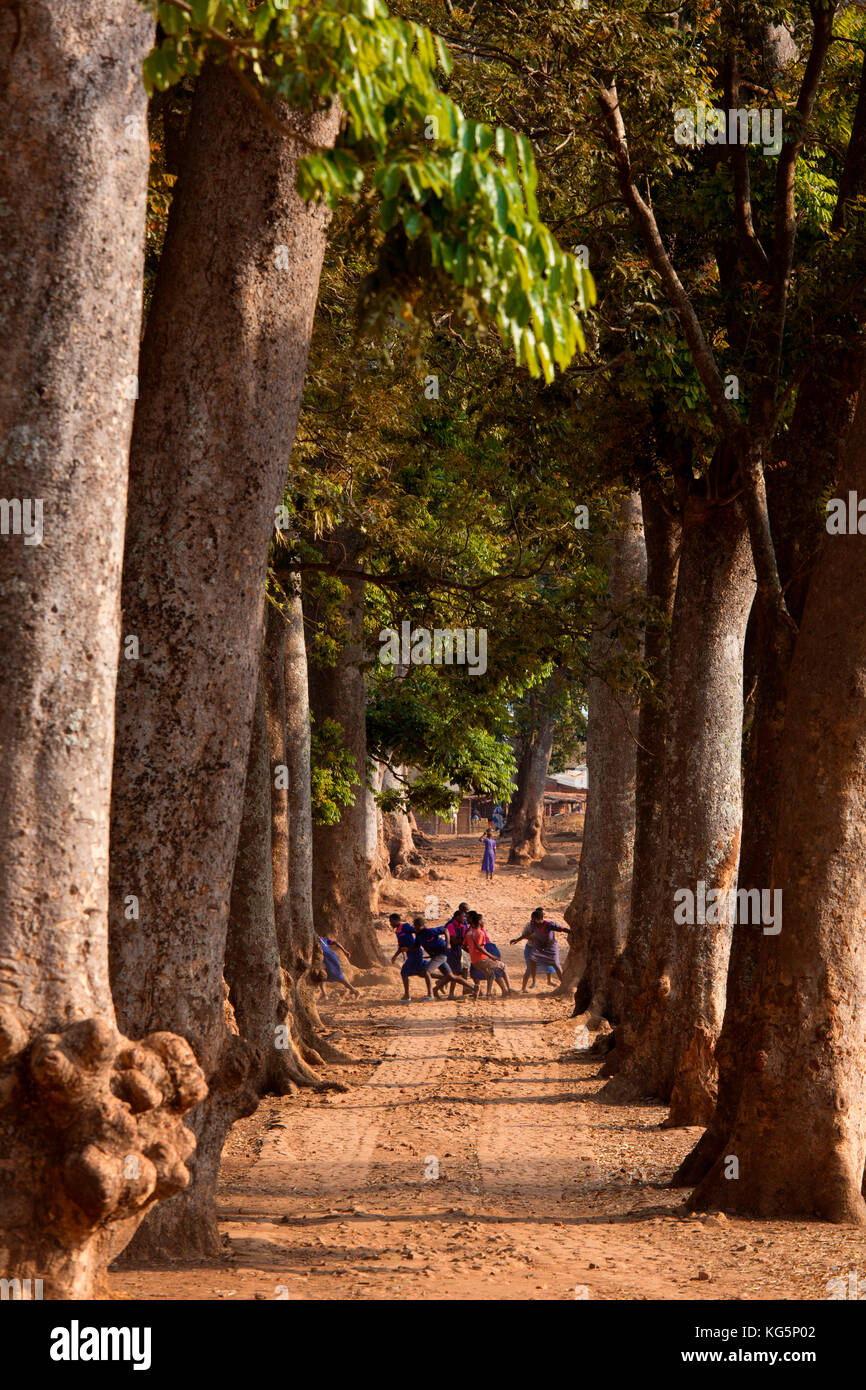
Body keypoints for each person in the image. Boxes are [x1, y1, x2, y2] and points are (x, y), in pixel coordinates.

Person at [415, 916, 476, 997]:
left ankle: (430, 995)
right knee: (451, 976)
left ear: (421, 926)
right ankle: (474, 987)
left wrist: (448, 943)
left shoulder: (430, 931)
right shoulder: (418, 935)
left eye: (416, 926)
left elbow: (445, 929)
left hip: (441, 954)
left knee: (427, 971)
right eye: (414, 926)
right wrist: (405, 948)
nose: (415, 928)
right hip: (436, 955)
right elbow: (416, 946)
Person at [510, 907, 568, 991]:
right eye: (542, 914)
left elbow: (556, 933)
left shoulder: (547, 925)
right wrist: (520, 939)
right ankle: (527, 985)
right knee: (530, 967)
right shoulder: (531, 925)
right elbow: (526, 935)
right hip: (532, 947)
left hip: (543, 948)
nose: (543, 916)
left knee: (551, 965)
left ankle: (553, 982)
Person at [465, 911, 513, 998]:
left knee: (490, 974)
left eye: (467, 917)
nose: (466, 919)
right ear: (479, 921)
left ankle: (490, 993)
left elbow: (465, 945)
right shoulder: (479, 932)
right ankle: (509, 989)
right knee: (502, 968)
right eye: (483, 920)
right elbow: (480, 947)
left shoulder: (469, 931)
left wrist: (471, 952)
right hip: (484, 953)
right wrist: (492, 956)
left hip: (474, 959)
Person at [389, 913, 433, 1002]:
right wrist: (395, 956)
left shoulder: (405, 926)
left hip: (415, 953)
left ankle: (407, 996)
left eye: (391, 921)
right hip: (410, 954)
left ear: (396, 920)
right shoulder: (397, 931)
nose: (390, 924)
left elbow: (417, 931)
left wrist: (417, 944)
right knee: (422, 972)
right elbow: (401, 946)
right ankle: (444, 978)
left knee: (404, 972)